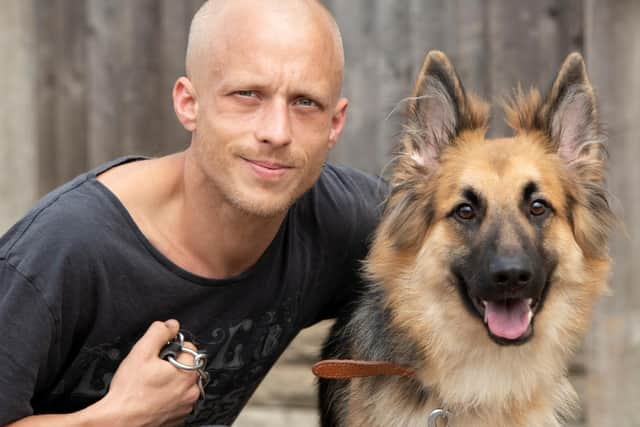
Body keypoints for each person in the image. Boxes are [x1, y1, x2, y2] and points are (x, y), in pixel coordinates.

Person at [0, 0, 386, 426]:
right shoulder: (63, 250)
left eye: (305, 103)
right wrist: (120, 417)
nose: (277, 132)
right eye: (247, 94)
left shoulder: (339, 221)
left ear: (335, 123)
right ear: (188, 103)